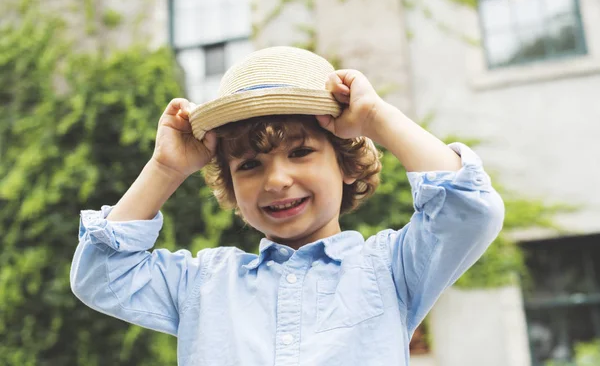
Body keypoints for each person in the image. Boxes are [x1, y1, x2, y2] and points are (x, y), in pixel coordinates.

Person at [71, 46, 504, 365]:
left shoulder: (390, 270)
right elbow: (99, 273)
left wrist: (375, 117)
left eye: (300, 153)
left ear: (346, 165)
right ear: (233, 191)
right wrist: (166, 168)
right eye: (250, 165)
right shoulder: (202, 284)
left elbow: (469, 209)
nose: (276, 180)